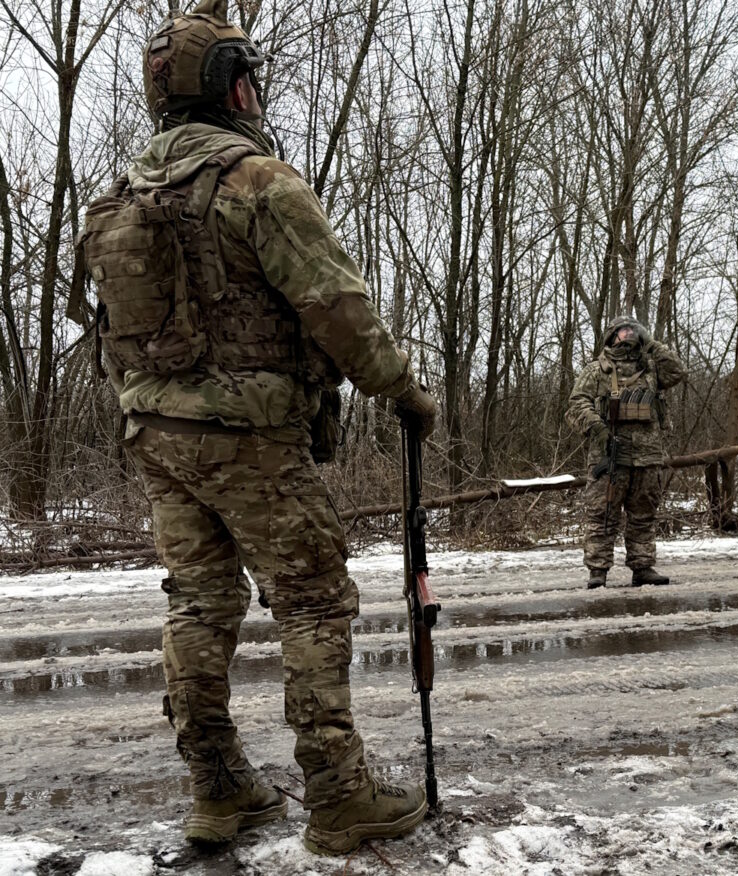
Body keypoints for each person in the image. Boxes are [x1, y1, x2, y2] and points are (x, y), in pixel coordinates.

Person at [79, 0, 437, 856]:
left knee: (199, 602)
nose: (255, 90)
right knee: (314, 597)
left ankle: (219, 787)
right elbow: (336, 307)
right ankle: (339, 793)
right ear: (231, 88)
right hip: (248, 432)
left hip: (154, 431)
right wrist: (402, 391)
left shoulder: (116, 199)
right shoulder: (258, 182)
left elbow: (111, 338)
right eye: (248, 76)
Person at [567, 317, 685, 589]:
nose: (629, 334)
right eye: (623, 330)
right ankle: (598, 570)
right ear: (612, 336)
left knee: (643, 515)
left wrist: (651, 344)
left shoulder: (650, 368)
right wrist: (597, 428)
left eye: (633, 330)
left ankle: (642, 567)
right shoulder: (597, 370)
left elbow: (678, 371)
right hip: (609, 455)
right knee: (602, 515)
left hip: (647, 456)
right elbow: (577, 404)